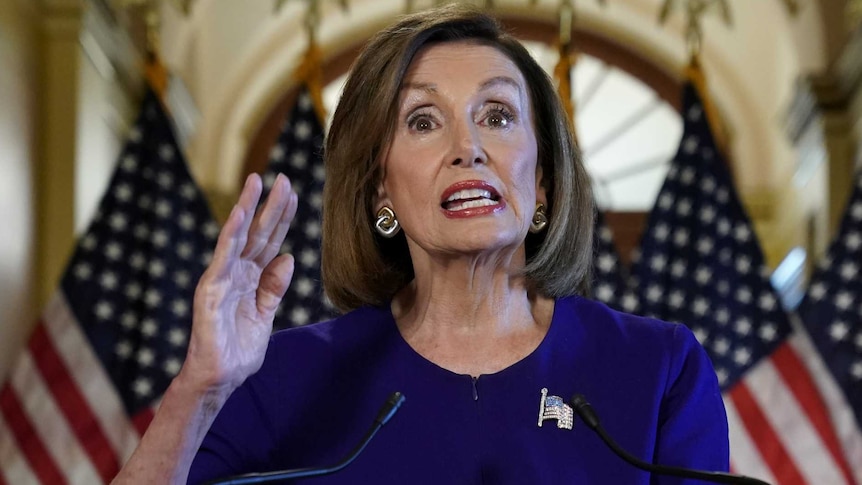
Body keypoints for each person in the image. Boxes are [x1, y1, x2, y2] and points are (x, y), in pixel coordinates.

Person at [113, 4, 729, 484]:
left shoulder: (658, 370)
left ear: (540, 181)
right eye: (424, 121)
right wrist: (201, 385)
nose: (469, 147)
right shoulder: (287, 377)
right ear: (380, 186)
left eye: (497, 116)